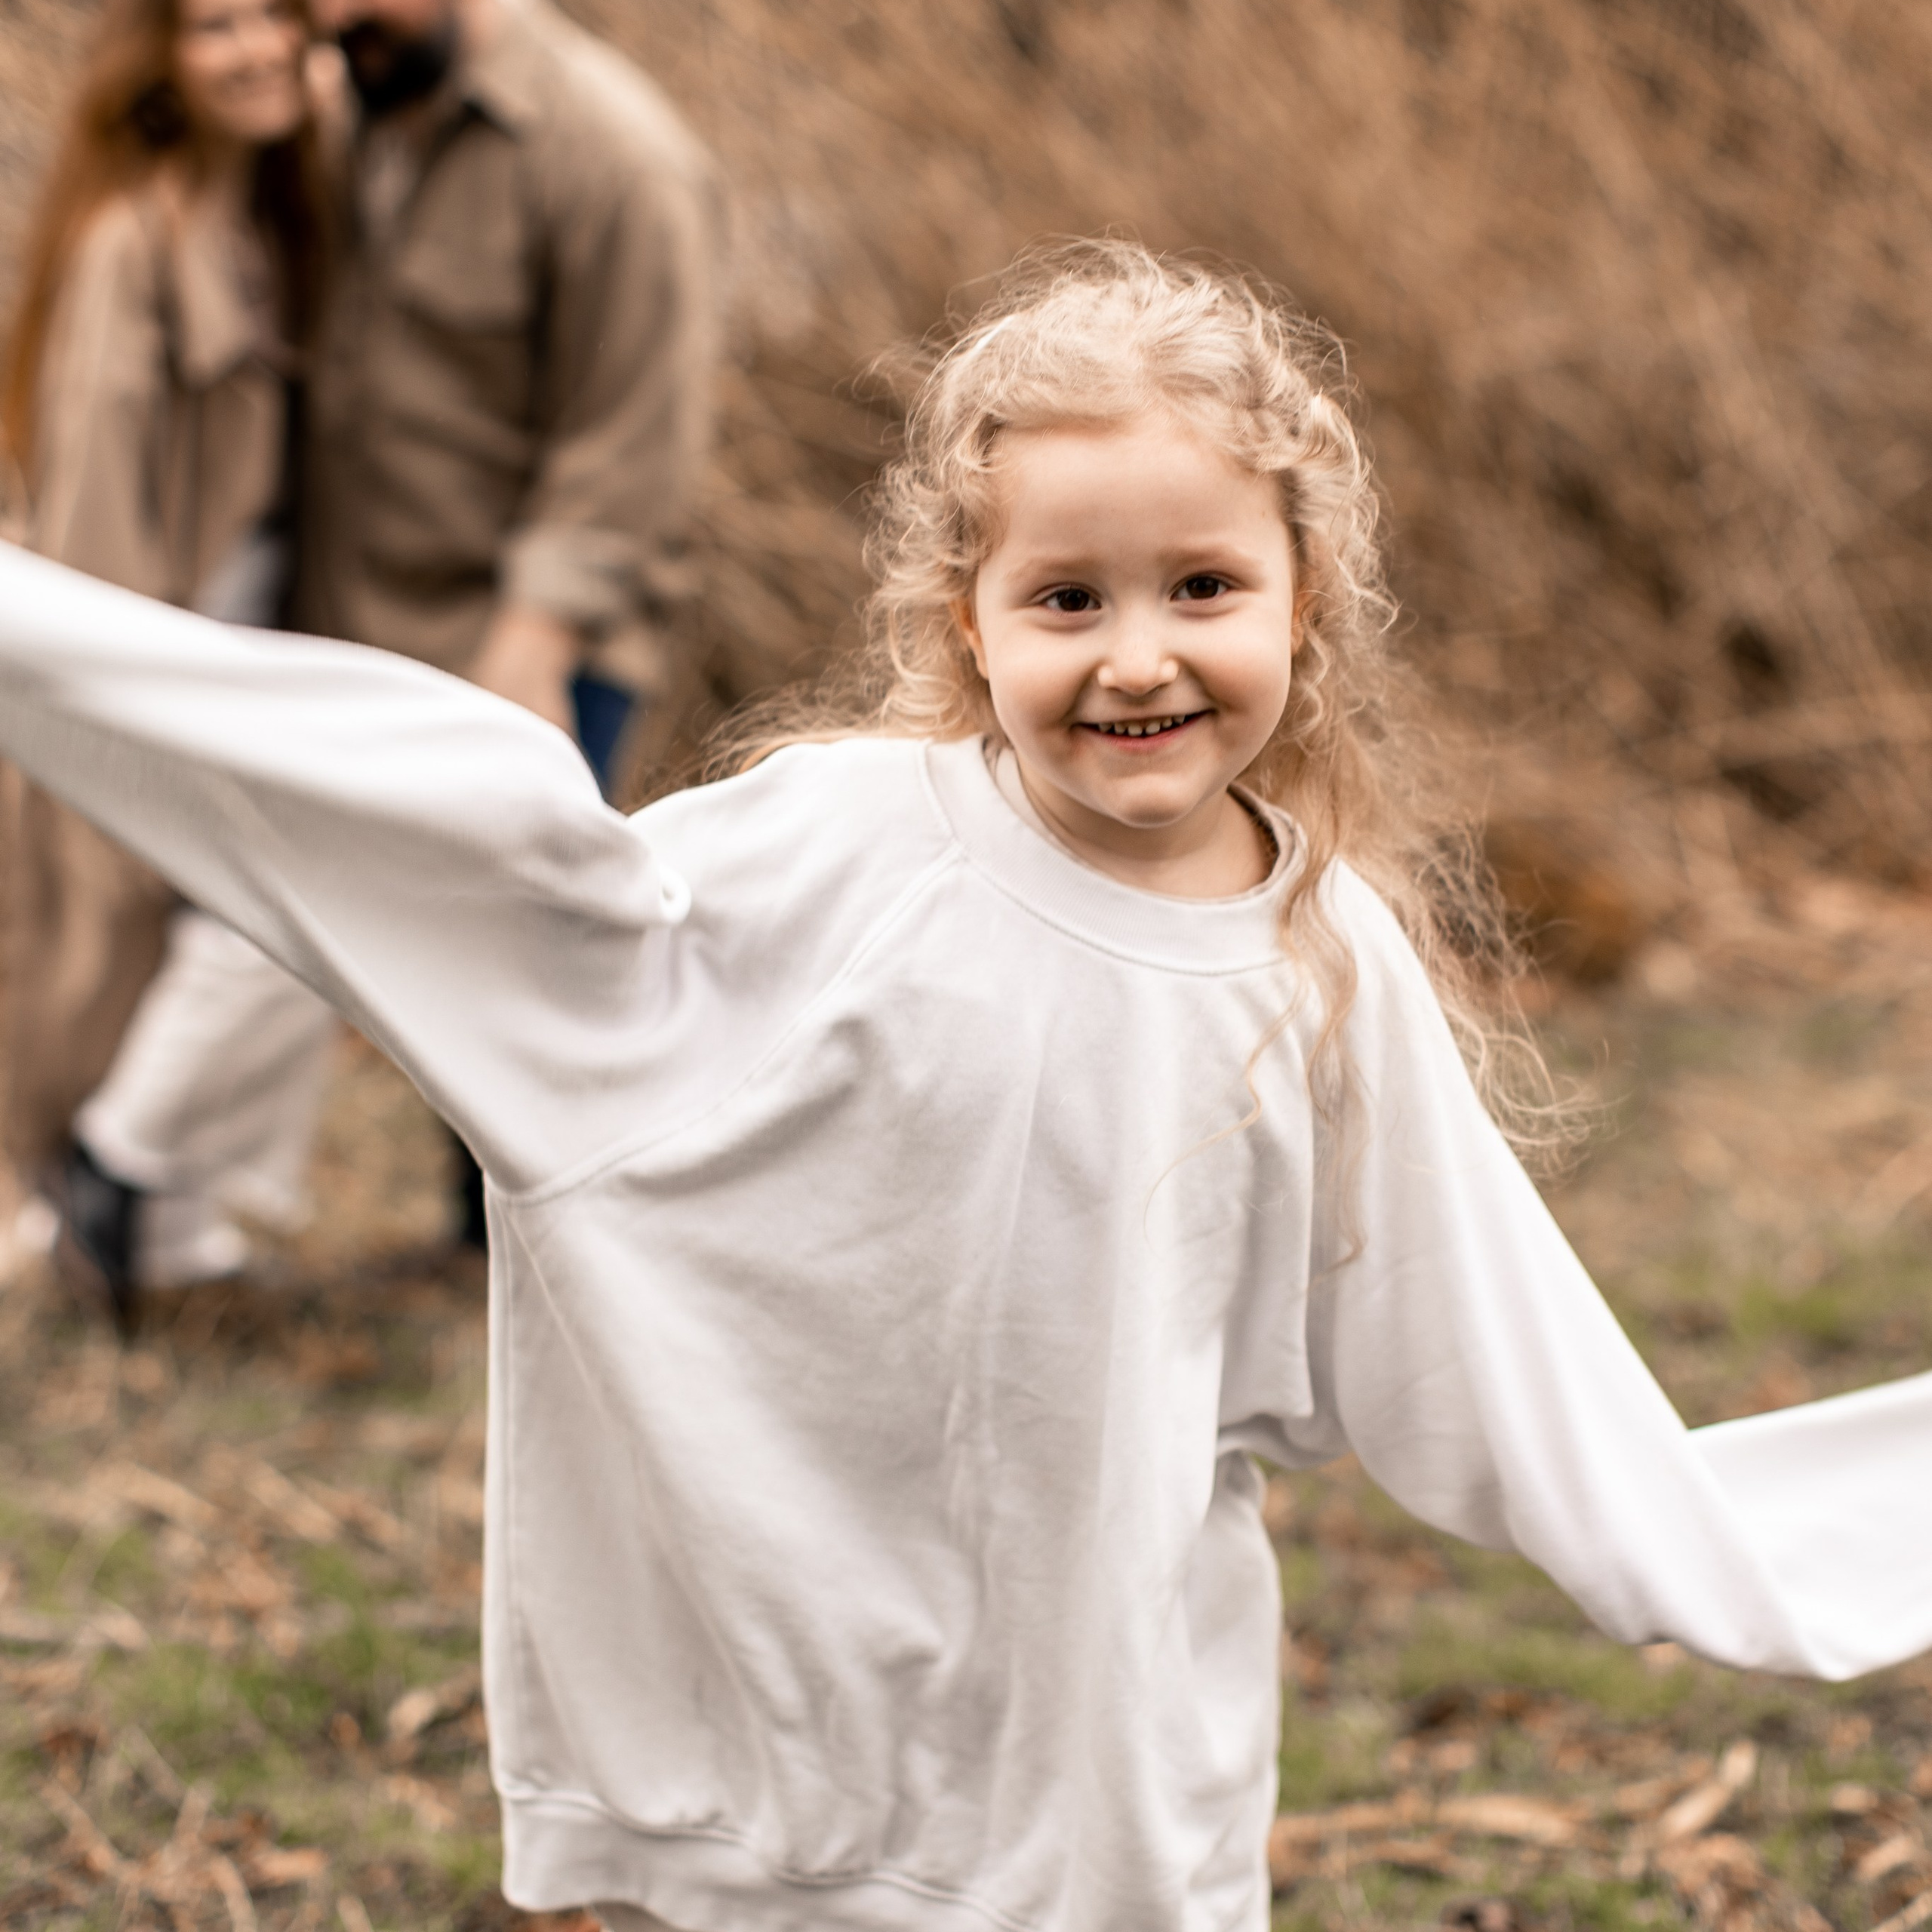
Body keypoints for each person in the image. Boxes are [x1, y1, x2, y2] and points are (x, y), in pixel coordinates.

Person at [0, 242, 1927, 1932]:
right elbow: (505, 884)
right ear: (966, 622)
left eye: (1200, 585)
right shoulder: (842, 848)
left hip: (1099, 1797)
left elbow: (1515, 1378)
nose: (1137, 658)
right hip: (766, 1757)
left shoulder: (1321, 967)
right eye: (1065, 599)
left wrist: (1781, 1547)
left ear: (1303, 603)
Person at [42, 0, 721, 1320]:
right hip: (360, 621)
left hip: (521, 637)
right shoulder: (349, 106)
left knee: (536, 956)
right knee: (344, 926)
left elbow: (634, 439)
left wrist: (532, 646)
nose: (330, 18)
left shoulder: (612, 154)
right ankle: (174, 1192)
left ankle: (512, 1254)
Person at [0, 0, 334, 1318]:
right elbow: (91, 510)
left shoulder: (266, 210)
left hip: (239, 648)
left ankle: (159, 1217)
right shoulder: (130, 238)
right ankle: (103, 1200)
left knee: (239, 928)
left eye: (276, 16)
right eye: (214, 25)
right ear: (160, 58)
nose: (256, 48)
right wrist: (121, 706)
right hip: (146, 657)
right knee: (150, 932)